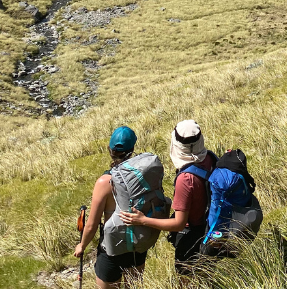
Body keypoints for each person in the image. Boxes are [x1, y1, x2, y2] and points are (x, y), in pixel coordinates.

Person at [120, 119, 217, 278]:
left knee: (186, 281)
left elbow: (178, 224)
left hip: (193, 237)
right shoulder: (209, 158)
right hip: (211, 228)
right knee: (206, 277)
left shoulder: (185, 180)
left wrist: (142, 220)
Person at [74, 126, 145, 289]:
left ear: (109, 149)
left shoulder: (104, 182)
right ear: (132, 149)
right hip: (138, 243)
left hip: (112, 247)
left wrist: (82, 245)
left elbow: (91, 224)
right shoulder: (143, 175)